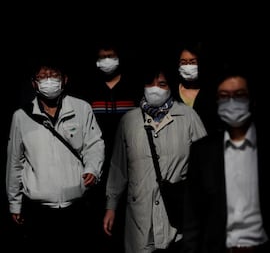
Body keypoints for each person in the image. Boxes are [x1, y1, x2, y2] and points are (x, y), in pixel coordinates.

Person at [103, 55, 207, 253]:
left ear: (170, 86)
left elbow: (205, 163)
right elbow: (118, 167)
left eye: (162, 83)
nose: (155, 88)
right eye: (150, 83)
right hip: (140, 218)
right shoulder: (129, 121)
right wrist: (111, 206)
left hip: (177, 220)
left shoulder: (188, 117)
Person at [181, 63, 270, 253]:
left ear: (251, 99)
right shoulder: (202, 152)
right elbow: (193, 217)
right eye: (224, 96)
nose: (232, 102)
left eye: (239, 95)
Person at [5, 54, 105, 253]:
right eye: (43, 76)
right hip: (39, 212)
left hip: (77, 208)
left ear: (65, 79)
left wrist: (93, 169)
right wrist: (14, 203)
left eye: (54, 75)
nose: (49, 80)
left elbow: (94, 144)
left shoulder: (81, 108)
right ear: (34, 83)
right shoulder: (21, 116)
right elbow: (15, 162)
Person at [82, 39, 138, 253]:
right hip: (98, 169)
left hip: (130, 167)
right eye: (102, 57)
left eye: (111, 56)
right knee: (99, 227)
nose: (107, 61)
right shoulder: (89, 90)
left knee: (127, 225)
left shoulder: (133, 87)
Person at [174, 41, 218, 134]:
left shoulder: (211, 93)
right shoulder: (172, 93)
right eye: (183, 62)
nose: (188, 66)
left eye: (193, 62)